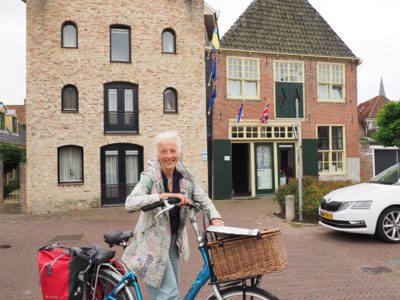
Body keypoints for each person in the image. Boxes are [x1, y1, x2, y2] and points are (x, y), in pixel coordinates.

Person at [122, 130, 224, 300]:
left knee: (170, 290)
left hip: (173, 240)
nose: (168, 156)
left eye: (172, 151)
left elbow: (204, 199)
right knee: (169, 294)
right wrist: (161, 197)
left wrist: (215, 217)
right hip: (151, 242)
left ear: (179, 152)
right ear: (157, 154)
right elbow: (130, 203)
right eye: (164, 151)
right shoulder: (150, 177)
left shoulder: (185, 176)